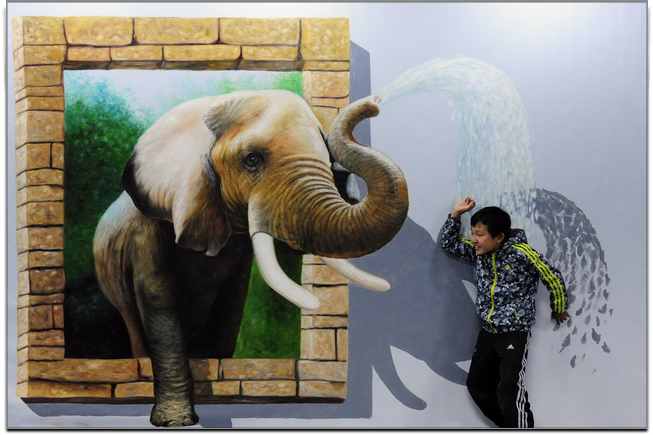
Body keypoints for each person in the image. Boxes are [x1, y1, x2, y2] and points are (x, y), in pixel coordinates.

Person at [440, 197, 570, 428]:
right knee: (476, 384)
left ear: (499, 237)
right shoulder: (479, 252)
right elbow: (449, 244)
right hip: (488, 331)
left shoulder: (522, 253)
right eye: (472, 233)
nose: (474, 239)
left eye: (480, 234)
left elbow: (552, 276)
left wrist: (558, 308)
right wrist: (455, 215)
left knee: (509, 388)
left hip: (514, 333)